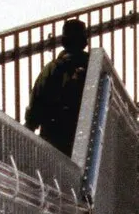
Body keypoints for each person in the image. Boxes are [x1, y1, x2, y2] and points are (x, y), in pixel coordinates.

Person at [24, 18, 90, 152]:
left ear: (63, 41)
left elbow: (36, 103)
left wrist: (30, 126)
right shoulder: (94, 67)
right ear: (85, 41)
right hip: (85, 136)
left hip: (54, 140)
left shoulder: (52, 69)